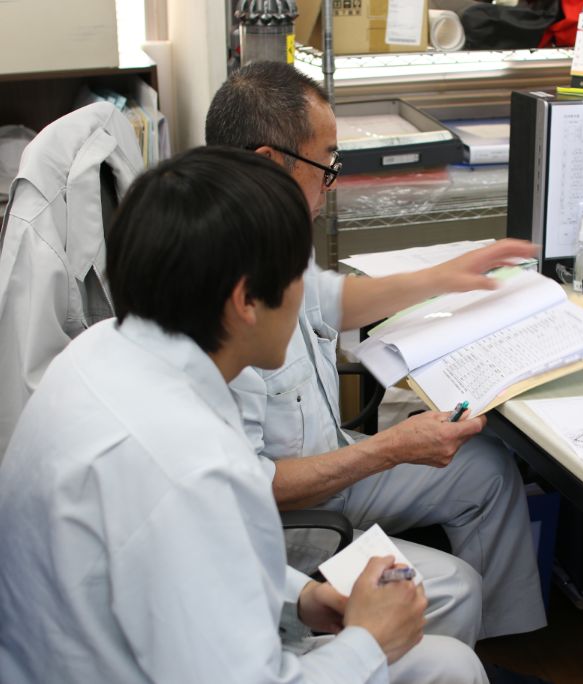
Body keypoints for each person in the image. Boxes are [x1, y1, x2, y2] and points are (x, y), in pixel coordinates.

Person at [0, 147, 487, 684]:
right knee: (454, 668)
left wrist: (302, 597)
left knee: (446, 662)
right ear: (247, 300)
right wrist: (369, 643)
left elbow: (193, 569)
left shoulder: (96, 354)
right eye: (298, 276)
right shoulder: (192, 471)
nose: (305, 296)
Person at [205, 61, 547, 640]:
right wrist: (389, 449)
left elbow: (326, 300)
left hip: (331, 462)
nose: (331, 184)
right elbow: (252, 487)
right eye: (326, 167)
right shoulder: (222, 298)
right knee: (454, 586)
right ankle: (446, 663)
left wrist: (445, 276)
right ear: (269, 163)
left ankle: (507, 646)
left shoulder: (268, 228)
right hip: (289, 525)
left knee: (487, 469)